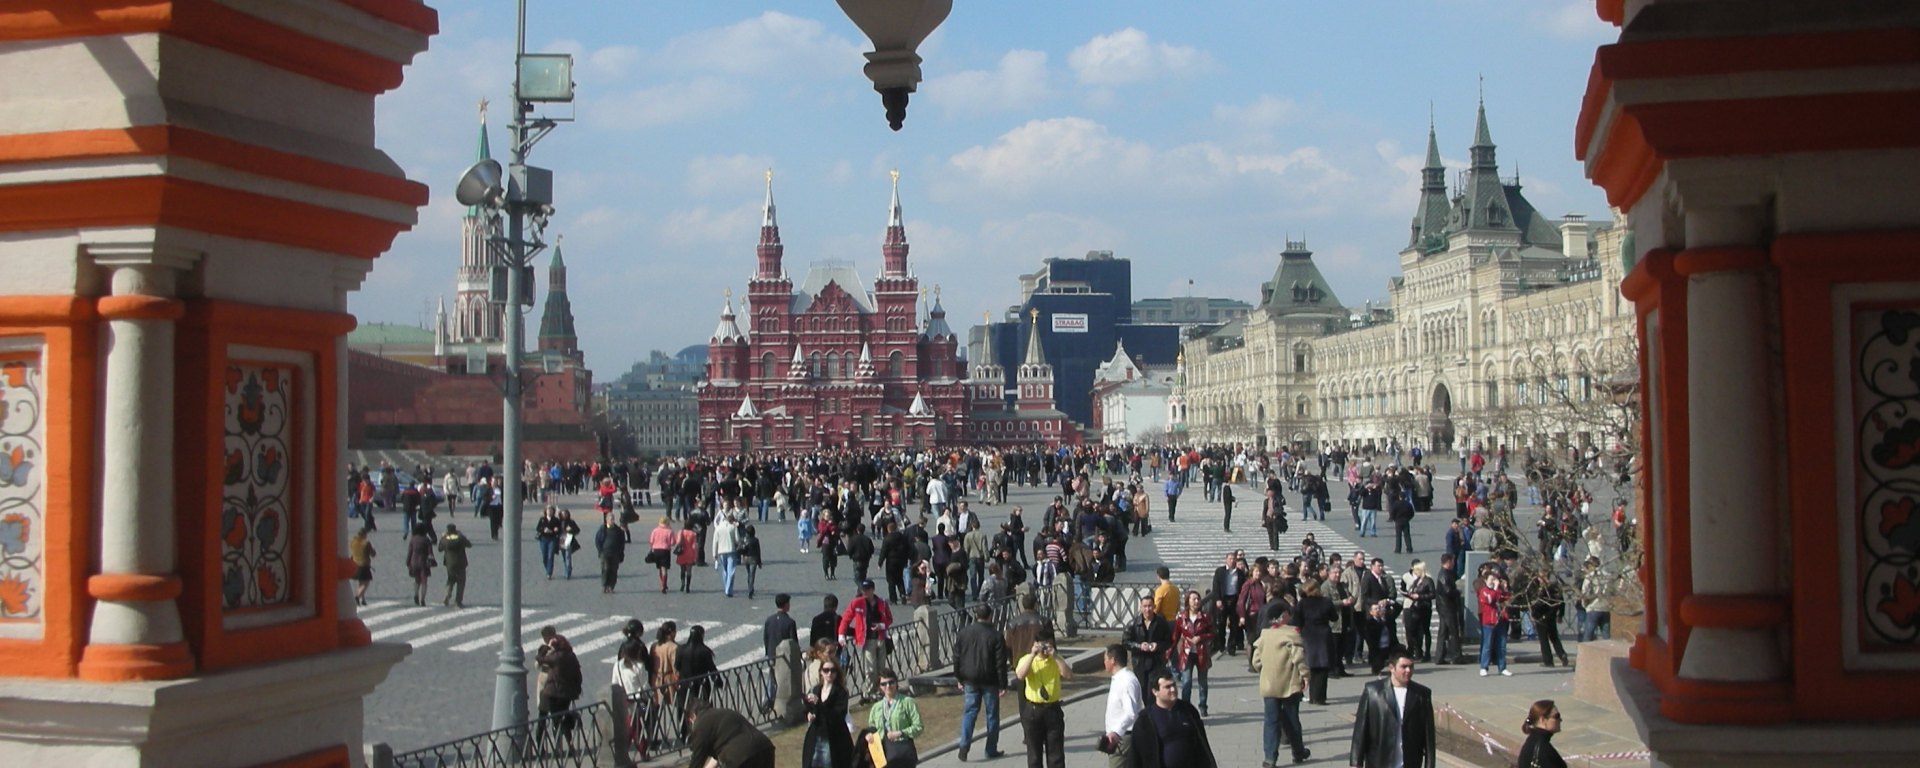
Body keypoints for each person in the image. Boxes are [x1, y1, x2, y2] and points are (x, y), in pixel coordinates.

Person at [1348, 651, 1436, 768]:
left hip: (1410, 762)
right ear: (1392, 668)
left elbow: (1429, 737)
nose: (1408, 671)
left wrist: (1430, 765)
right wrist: (1356, 762)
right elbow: (1360, 730)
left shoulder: (1421, 694)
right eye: (1404, 667)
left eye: (1411, 666)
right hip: (1380, 761)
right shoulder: (1373, 692)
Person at [1252, 607, 1311, 766]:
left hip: (1269, 685)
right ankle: (1298, 752)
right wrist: (1305, 676)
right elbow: (1299, 658)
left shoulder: (1265, 635)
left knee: (1271, 721)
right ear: (1284, 616)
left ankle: (1270, 758)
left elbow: (1255, 661)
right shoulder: (1292, 634)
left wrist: (1264, 672)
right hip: (1289, 684)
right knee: (1292, 720)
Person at [954, 604, 1010, 762]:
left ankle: (964, 746)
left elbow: (957, 657)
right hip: (990, 680)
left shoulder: (963, 633)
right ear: (990, 616)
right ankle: (990, 749)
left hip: (970, 679)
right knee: (992, 715)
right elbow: (1000, 663)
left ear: (976, 615)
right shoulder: (996, 635)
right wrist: (1003, 684)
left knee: (969, 713)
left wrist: (959, 678)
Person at [1127, 672, 1219, 768]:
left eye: (1174, 685)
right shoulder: (1145, 720)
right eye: (1167, 687)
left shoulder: (1188, 711)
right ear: (1155, 692)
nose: (1173, 689)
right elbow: (1135, 756)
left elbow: (1202, 745)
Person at [1015, 636, 1071, 768]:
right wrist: (1032, 655)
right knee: (1034, 754)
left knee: (1056, 754)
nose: (1044, 650)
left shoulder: (1056, 660)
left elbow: (1069, 675)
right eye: (1041, 646)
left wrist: (1055, 657)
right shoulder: (1027, 659)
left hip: (1053, 709)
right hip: (1033, 711)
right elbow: (1020, 675)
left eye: (1047, 646)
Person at [838, 579, 894, 697]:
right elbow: (846, 618)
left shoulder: (882, 603)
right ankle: (869, 691)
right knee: (870, 668)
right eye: (863, 590)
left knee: (881, 667)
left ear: (873, 590)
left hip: (881, 638)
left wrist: (882, 626)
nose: (865, 592)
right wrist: (841, 635)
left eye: (867, 590)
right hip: (867, 639)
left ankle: (881, 690)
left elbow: (889, 619)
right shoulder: (856, 603)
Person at [685, 697, 776, 768]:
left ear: (692, 716)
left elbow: (696, 762)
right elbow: (725, 744)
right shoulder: (723, 713)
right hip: (765, 748)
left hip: (739, 757)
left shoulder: (701, 723)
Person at [866, 668, 924, 768]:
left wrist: (901, 732)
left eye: (891, 682)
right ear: (880, 687)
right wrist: (869, 735)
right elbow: (871, 728)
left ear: (896, 682)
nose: (888, 686)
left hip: (903, 753)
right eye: (883, 684)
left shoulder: (907, 702)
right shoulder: (876, 708)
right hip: (883, 755)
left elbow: (919, 726)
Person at [802, 655, 852, 768]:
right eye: (826, 670)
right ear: (821, 672)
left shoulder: (841, 692)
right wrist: (809, 714)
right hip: (816, 736)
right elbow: (809, 709)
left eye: (833, 670)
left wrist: (819, 704)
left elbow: (837, 715)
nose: (829, 673)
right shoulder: (816, 689)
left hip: (834, 738)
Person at [1291, 579, 1336, 705]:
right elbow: (1334, 617)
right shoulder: (1326, 602)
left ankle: (1312, 696)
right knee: (1323, 668)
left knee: (1312, 666)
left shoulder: (1302, 604)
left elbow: (1296, 621)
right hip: (1323, 634)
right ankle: (1320, 697)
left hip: (1308, 634)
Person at [534, 625, 583, 741]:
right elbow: (578, 675)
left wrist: (544, 651)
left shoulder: (555, 656)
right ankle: (566, 744)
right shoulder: (571, 655)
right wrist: (577, 689)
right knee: (561, 716)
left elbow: (538, 662)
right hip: (566, 692)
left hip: (550, 690)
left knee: (546, 718)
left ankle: (544, 746)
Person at [1171, 590, 1215, 716]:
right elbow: (1175, 636)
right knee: (1186, 682)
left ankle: (1203, 706)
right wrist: (1169, 652)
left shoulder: (1205, 617)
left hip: (1201, 653)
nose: (1196, 601)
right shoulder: (1182, 618)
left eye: (1198, 599)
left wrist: (1201, 637)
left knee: (1203, 682)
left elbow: (1213, 633)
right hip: (1187, 653)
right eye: (1193, 599)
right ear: (1188, 601)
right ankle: (1186, 707)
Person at [1100, 644, 1141, 768]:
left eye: (1105, 659)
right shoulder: (1119, 679)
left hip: (1123, 738)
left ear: (1113, 660)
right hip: (1119, 736)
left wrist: (1116, 732)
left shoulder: (1126, 681)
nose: (1104, 662)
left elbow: (1131, 713)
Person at [1122, 595, 1174, 683]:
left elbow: (1169, 641)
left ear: (1154, 606)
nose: (1147, 609)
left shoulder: (1161, 622)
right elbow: (1125, 642)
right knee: (1141, 690)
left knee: (1153, 690)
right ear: (1141, 608)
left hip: (1157, 662)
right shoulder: (1133, 623)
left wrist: (1157, 645)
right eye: (1145, 606)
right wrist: (1139, 646)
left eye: (1150, 606)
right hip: (1139, 662)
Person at [763, 594, 799, 713]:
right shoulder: (790, 622)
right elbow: (793, 641)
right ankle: (779, 701)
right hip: (783, 657)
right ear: (786, 605)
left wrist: (768, 652)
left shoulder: (769, 620)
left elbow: (766, 638)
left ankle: (768, 700)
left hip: (771, 654)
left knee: (771, 678)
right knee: (783, 679)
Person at [1477, 571, 1513, 676]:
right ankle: (1484, 667)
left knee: (1501, 645)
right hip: (1489, 621)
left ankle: (1502, 667)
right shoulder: (1483, 591)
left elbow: (1507, 599)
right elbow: (1490, 599)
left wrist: (1505, 589)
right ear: (1486, 580)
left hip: (1500, 620)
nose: (1493, 582)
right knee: (1487, 645)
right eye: (1491, 579)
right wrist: (1496, 588)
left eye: (1494, 579)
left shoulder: (1499, 591)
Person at [1516, 699, 1568, 768]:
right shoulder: (1543, 749)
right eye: (1556, 716)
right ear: (1543, 719)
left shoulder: (1532, 741)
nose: (1560, 720)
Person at [436, 523, 471, 607]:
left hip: (450, 563)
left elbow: (439, 549)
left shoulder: (445, 539)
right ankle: (458, 601)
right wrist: (461, 535)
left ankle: (447, 595)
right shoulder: (460, 538)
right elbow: (469, 544)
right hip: (461, 562)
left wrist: (443, 537)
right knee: (461, 582)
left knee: (451, 579)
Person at [711, 508, 742, 597]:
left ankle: (726, 586)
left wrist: (714, 553)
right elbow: (737, 540)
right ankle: (728, 589)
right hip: (731, 550)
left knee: (724, 570)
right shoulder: (733, 527)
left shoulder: (718, 528)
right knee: (731, 570)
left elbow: (715, 542)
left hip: (721, 551)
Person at [405, 523, 434, 607]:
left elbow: (409, 553)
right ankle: (422, 600)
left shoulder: (413, 539)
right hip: (423, 563)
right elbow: (430, 553)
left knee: (417, 580)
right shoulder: (426, 540)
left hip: (414, 561)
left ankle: (416, 594)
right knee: (424, 581)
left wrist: (408, 563)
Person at [597, 512, 626, 594]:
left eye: (612, 519)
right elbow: (597, 540)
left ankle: (611, 586)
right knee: (605, 569)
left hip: (615, 553)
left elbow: (622, 542)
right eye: (610, 519)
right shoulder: (602, 529)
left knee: (613, 570)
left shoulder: (618, 531)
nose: (611, 521)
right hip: (605, 553)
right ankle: (604, 585)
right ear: (606, 520)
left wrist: (621, 553)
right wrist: (600, 550)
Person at [645, 517, 674, 593]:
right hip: (665, 551)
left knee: (660, 568)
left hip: (656, 550)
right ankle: (664, 585)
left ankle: (662, 584)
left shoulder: (655, 530)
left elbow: (651, 541)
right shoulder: (669, 531)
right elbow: (673, 542)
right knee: (664, 568)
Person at [349, 527, 375, 606]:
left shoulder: (353, 542)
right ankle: (357, 596)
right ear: (364, 534)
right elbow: (373, 554)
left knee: (361, 582)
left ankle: (363, 599)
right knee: (365, 583)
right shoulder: (366, 543)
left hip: (355, 564)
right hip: (364, 566)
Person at [675, 520, 700, 593]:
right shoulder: (693, 534)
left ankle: (682, 583)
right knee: (689, 570)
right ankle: (688, 586)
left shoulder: (681, 532)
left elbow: (678, 542)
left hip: (682, 553)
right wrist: (696, 556)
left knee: (682, 569)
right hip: (690, 553)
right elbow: (695, 546)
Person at [740, 523, 763, 599]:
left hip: (746, 558)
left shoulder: (744, 539)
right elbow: (758, 551)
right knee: (752, 574)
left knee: (749, 573)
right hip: (754, 559)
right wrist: (759, 562)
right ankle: (751, 589)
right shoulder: (756, 540)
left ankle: (749, 587)